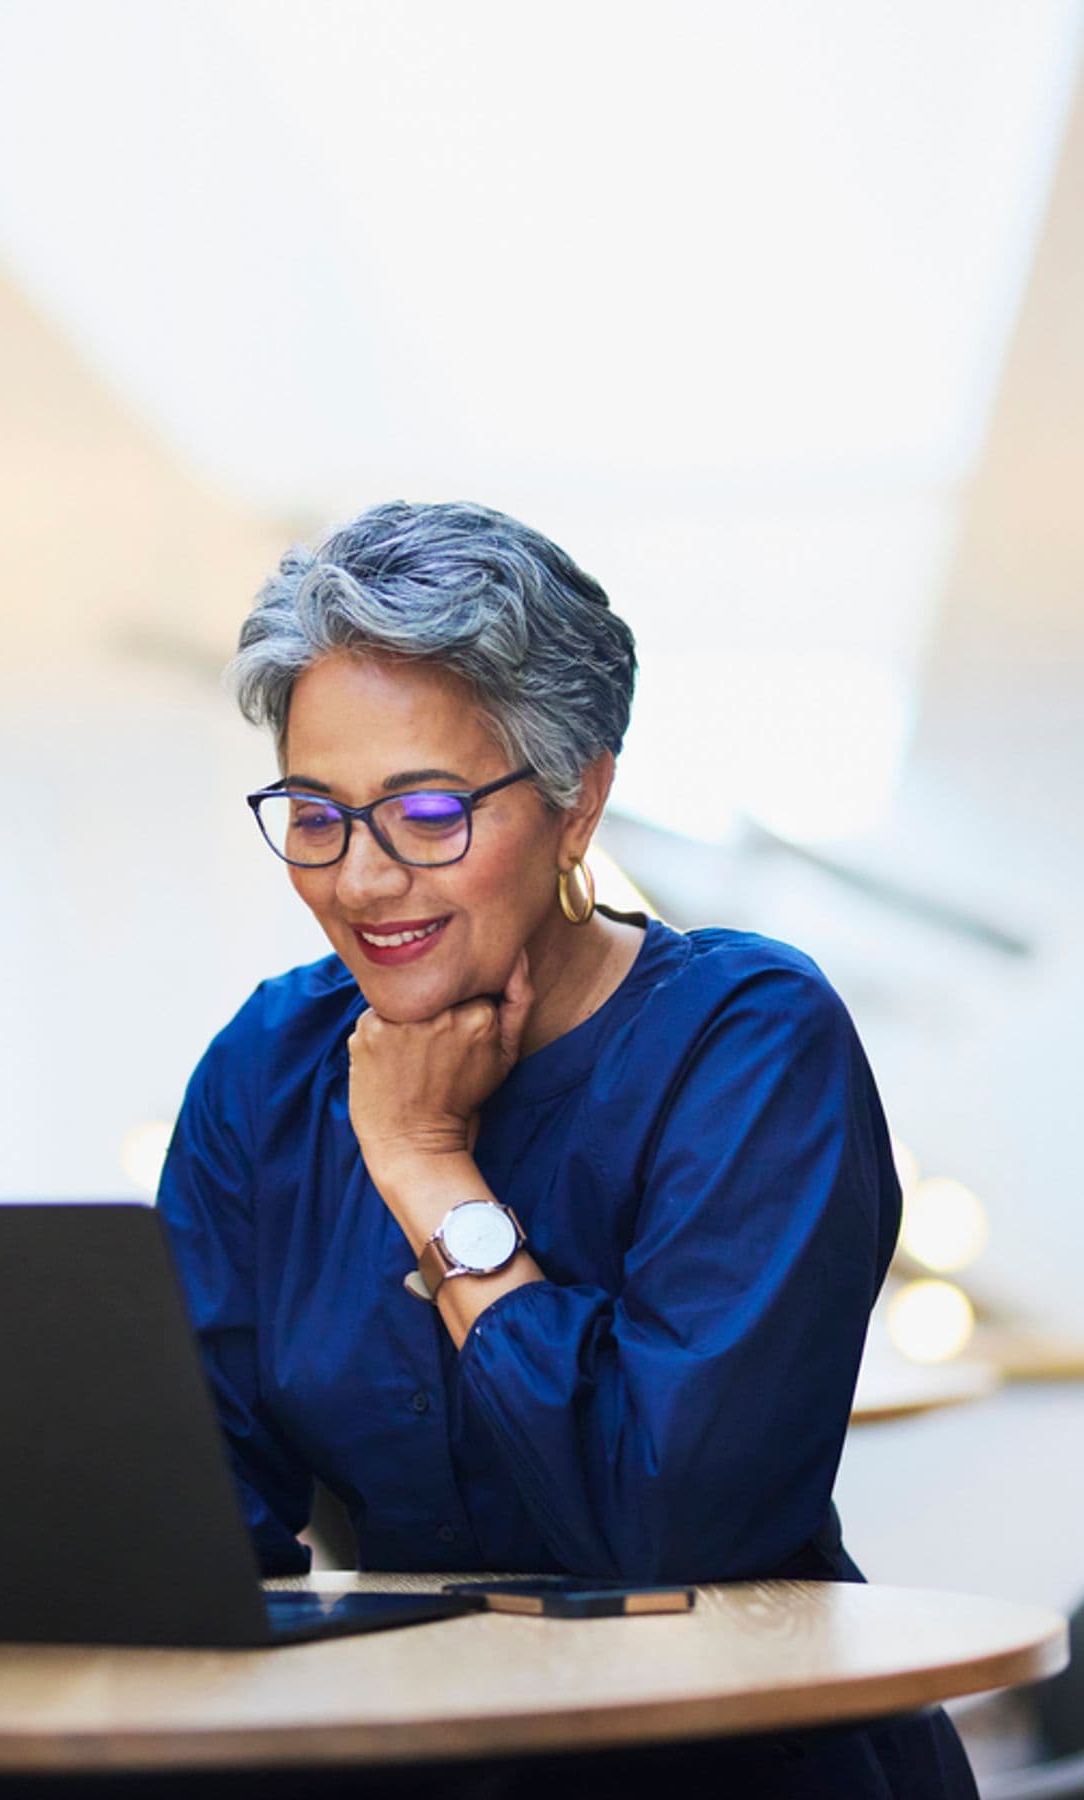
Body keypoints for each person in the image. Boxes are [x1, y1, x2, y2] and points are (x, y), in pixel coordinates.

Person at [156, 501, 976, 1799]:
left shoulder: (748, 1042)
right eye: (315, 813)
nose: (362, 881)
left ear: (577, 797)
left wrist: (429, 1169)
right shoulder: (267, 1069)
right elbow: (190, 1512)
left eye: (426, 811)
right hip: (416, 1761)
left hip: (739, 1770)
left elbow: (676, 1530)